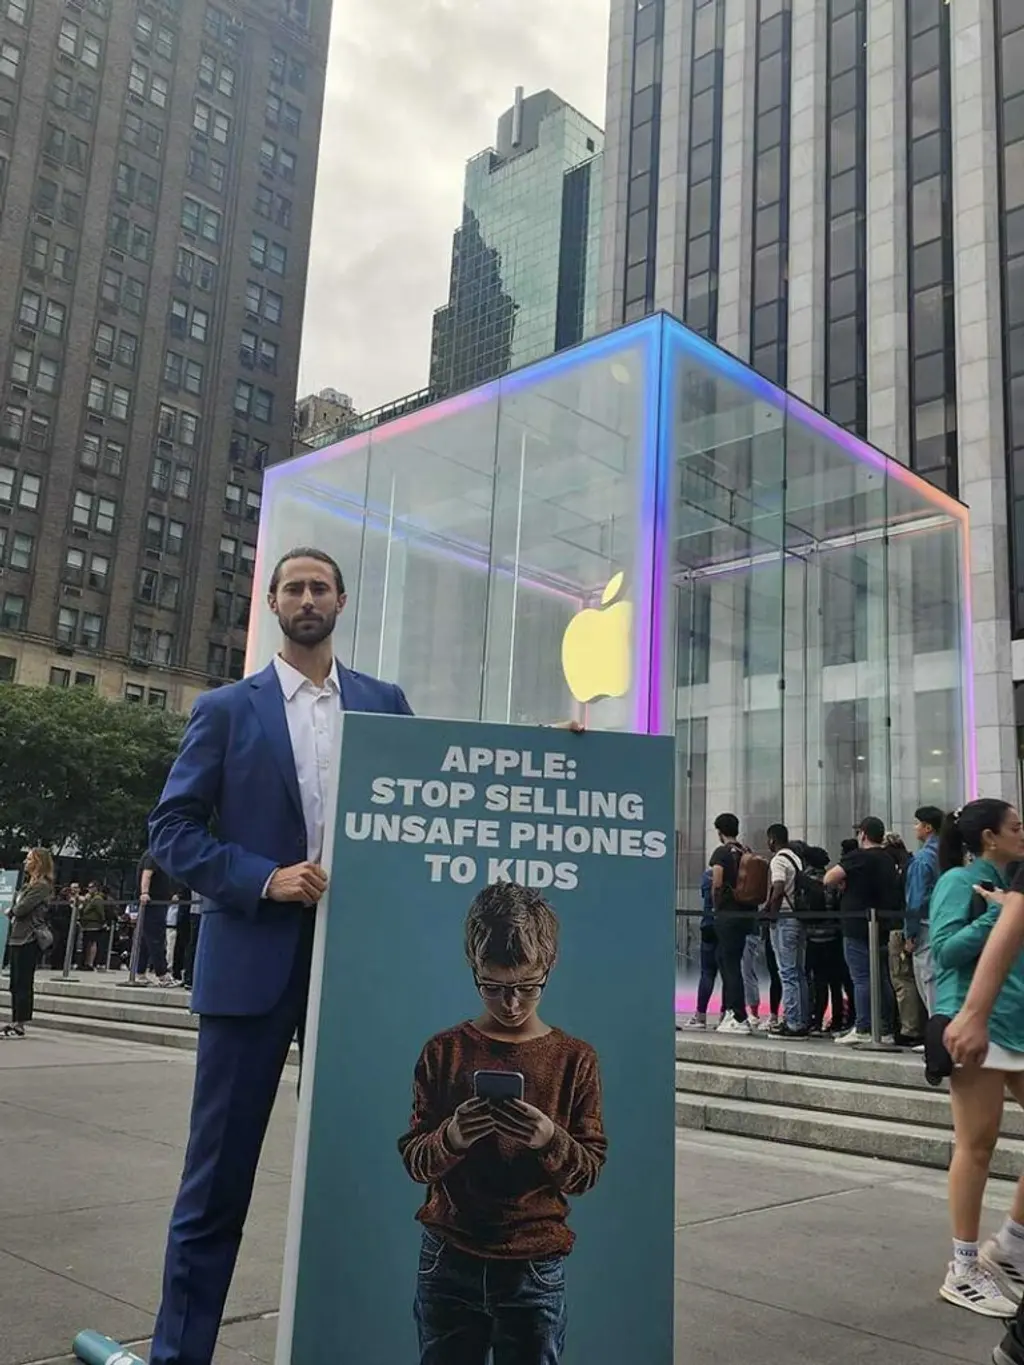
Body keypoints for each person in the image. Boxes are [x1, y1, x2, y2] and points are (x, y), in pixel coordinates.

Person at [146, 547, 413, 1365]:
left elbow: (441, 798)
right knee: (215, 1186)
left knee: (366, 1178)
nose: (306, 597)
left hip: (354, 978)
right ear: (271, 601)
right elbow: (172, 832)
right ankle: (177, 1355)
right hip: (249, 974)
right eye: (292, 586)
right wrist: (265, 878)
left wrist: (563, 748)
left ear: (341, 600)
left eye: (319, 586)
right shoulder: (226, 708)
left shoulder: (384, 704)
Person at [398, 881, 607, 1365]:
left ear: (548, 969)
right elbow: (415, 1160)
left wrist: (548, 1138)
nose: (511, 1003)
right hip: (448, 1259)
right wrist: (450, 1137)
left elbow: (587, 1171)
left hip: (534, 1265)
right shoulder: (443, 1051)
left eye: (526, 987)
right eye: (492, 987)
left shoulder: (575, 1059)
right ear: (474, 970)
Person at [929, 800, 1024, 1319]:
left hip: (1016, 1022)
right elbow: (942, 951)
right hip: (976, 1024)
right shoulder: (959, 882)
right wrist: (995, 915)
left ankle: (1011, 1245)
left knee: (981, 1144)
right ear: (989, 837)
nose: (1023, 833)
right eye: (1016, 827)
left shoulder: (1012, 884)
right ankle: (963, 1267)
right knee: (978, 1145)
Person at [824, 817, 901, 1045]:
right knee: (881, 978)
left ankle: (864, 1026)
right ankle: (885, 1028)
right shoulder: (887, 858)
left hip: (857, 925)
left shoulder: (859, 856)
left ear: (864, 834)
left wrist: (843, 882)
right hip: (881, 925)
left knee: (861, 978)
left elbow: (829, 878)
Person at [709, 813, 768, 1035]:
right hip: (747, 915)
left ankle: (738, 1015)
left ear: (719, 831)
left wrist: (717, 904)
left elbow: (717, 879)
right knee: (732, 963)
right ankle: (731, 1013)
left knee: (729, 965)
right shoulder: (746, 851)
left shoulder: (721, 853)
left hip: (728, 915)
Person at [764, 823, 809, 1038]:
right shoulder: (796, 858)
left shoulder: (779, 860)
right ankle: (801, 1019)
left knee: (787, 972)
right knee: (798, 972)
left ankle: (792, 1022)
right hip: (798, 919)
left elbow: (779, 887)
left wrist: (771, 915)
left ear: (772, 839)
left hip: (784, 919)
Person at [4, 848, 53, 1038]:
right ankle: (15, 1019)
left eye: (29, 858)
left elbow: (22, 909)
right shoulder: (27, 886)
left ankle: (20, 1022)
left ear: (38, 863)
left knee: (24, 981)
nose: (26, 861)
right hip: (17, 936)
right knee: (15, 982)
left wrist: (12, 910)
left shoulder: (41, 886)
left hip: (29, 937)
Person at [884, 830, 926, 1046]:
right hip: (910, 925)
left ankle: (910, 1029)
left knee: (902, 979)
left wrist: (910, 933)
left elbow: (912, 901)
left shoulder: (899, 867)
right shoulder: (910, 860)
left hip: (900, 926)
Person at [905, 804, 945, 1017]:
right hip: (944, 921)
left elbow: (915, 899)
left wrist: (909, 933)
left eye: (917, 823)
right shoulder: (947, 853)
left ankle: (936, 1038)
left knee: (928, 982)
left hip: (925, 926)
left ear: (928, 827)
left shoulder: (922, 859)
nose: (915, 828)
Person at [137, 850, 177, 986]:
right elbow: (147, 874)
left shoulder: (158, 855)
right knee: (156, 939)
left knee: (145, 940)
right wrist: (145, 892)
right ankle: (162, 974)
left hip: (159, 901)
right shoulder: (155, 855)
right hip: (154, 903)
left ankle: (140, 972)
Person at [79, 881, 107, 971]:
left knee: (92, 943)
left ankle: (90, 962)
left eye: (91, 887)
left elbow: (100, 911)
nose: (89, 889)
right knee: (87, 943)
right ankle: (86, 962)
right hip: (87, 924)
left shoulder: (97, 898)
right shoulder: (90, 898)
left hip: (94, 924)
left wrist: (103, 921)